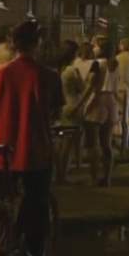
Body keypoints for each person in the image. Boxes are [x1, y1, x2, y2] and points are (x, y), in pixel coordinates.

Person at [0, 20, 60, 256]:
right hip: (34, 153)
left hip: (1, 152)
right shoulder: (47, 76)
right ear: (37, 43)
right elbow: (54, 110)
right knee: (36, 213)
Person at [82, 45, 120, 187]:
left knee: (93, 145)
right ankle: (107, 178)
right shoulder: (115, 64)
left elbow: (92, 85)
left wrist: (83, 105)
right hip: (111, 101)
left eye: (97, 46)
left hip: (97, 101)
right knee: (106, 144)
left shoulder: (97, 63)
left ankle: (93, 178)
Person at [53, 41, 84, 185]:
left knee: (60, 143)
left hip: (61, 105)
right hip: (73, 106)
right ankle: (62, 175)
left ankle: (58, 172)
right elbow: (81, 88)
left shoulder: (58, 69)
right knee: (68, 145)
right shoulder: (72, 70)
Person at [115, 38, 129, 154]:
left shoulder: (119, 58)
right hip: (128, 90)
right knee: (125, 117)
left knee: (118, 118)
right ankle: (125, 144)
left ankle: (120, 144)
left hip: (118, 89)